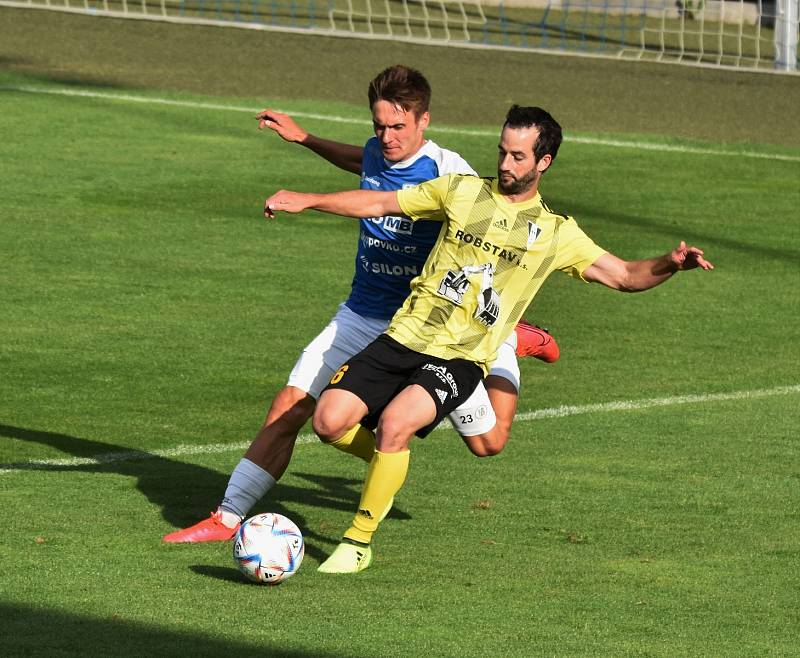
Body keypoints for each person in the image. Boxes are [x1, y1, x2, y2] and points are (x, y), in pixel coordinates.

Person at [262, 104, 714, 573]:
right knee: (328, 421)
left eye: (518, 157)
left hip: (461, 355)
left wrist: (668, 264)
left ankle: (358, 543)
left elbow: (622, 275)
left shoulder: (556, 233)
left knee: (399, 424)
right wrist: (308, 199)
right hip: (404, 335)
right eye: (502, 152)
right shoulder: (461, 191)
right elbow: (379, 203)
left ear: (544, 162)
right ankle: (388, 464)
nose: (504, 164)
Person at [163, 66, 557, 544]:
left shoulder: (450, 171)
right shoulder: (377, 151)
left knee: (488, 443)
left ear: (424, 120)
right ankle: (227, 517)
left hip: (436, 331)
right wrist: (305, 139)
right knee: (291, 405)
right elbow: (366, 164)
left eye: (398, 127)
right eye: (379, 126)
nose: (387, 137)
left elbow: (499, 225)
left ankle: (511, 336)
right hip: (362, 313)